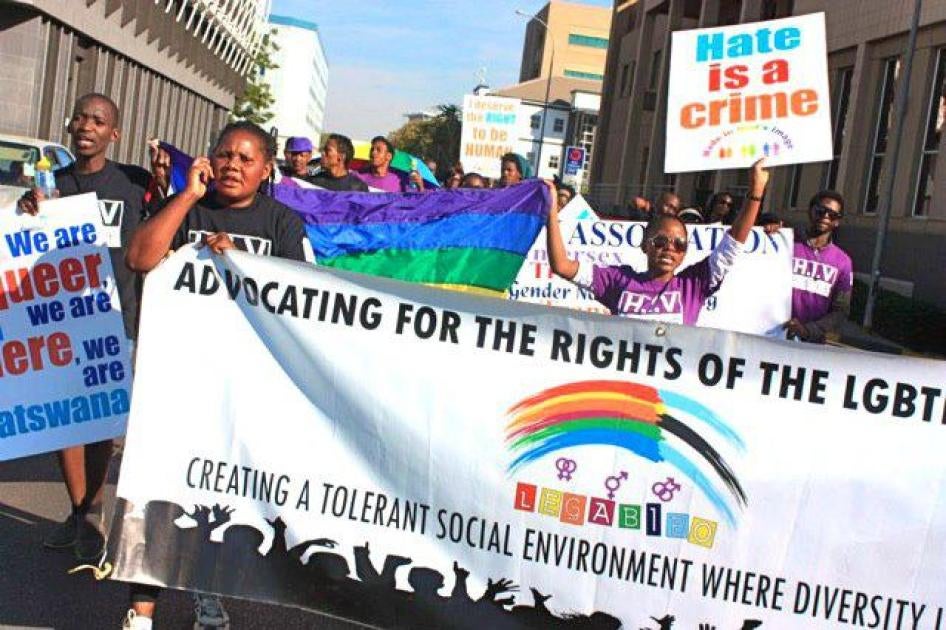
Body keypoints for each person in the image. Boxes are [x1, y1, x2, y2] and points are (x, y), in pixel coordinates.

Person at [123, 121, 306, 629]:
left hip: (243, 386)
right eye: (224, 154)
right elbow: (139, 257)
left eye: (246, 159)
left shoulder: (283, 224)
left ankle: (206, 593)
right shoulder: (187, 207)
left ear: (266, 169)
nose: (232, 165)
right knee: (158, 490)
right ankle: (141, 609)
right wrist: (185, 197)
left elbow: (303, 297)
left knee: (217, 501)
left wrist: (243, 264)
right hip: (178, 376)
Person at [17, 92, 150, 563]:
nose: (87, 126)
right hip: (62, 319)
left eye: (98, 120)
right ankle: (79, 513)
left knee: (100, 425)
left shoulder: (134, 183)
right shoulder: (52, 187)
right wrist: (29, 210)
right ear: (70, 126)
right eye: (80, 118)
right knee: (63, 423)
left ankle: (93, 512)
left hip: (115, 319)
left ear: (114, 133)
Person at [546, 160, 769, 325]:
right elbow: (562, 266)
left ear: (684, 253)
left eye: (679, 244)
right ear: (645, 245)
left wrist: (756, 192)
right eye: (660, 241)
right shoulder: (618, 280)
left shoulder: (693, 285)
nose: (670, 248)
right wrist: (551, 212)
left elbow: (733, 242)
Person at [783, 191, 852, 343]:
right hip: (774, 335)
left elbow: (841, 310)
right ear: (810, 211)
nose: (825, 217)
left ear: (837, 222)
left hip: (811, 344)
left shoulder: (843, 261)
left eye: (832, 215)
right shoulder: (786, 244)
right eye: (821, 211)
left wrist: (809, 330)